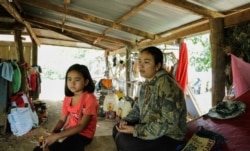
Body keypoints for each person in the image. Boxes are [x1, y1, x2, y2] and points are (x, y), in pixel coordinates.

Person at [112, 46, 187, 151]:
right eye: (139, 61)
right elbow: (138, 107)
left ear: (157, 65)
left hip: (169, 135)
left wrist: (136, 130)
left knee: (124, 140)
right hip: (150, 127)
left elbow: (168, 123)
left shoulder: (167, 85)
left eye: (146, 62)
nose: (140, 65)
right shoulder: (147, 83)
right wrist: (126, 120)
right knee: (117, 129)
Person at [33, 64, 98, 151]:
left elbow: (82, 126)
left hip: (83, 135)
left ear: (86, 82)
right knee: (39, 148)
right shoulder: (68, 98)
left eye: (77, 80)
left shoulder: (90, 99)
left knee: (64, 146)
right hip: (69, 131)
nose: (72, 83)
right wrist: (53, 133)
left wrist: (57, 136)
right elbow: (62, 120)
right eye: (69, 79)